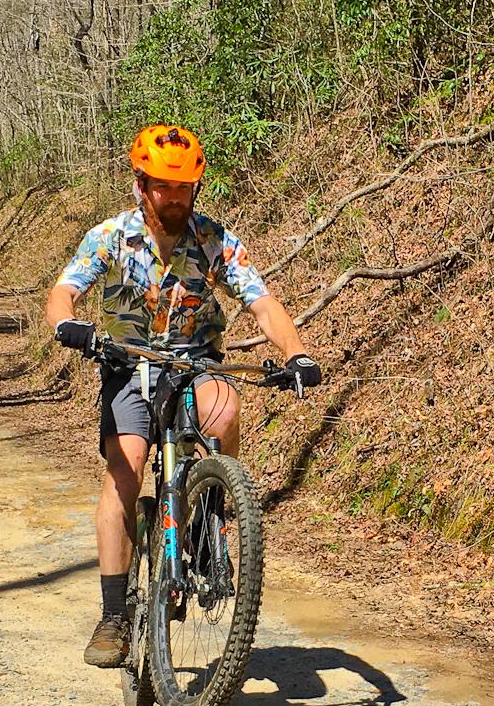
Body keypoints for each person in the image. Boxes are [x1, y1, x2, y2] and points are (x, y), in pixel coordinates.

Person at [45, 125, 322, 667]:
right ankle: (114, 617)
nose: (173, 198)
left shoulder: (214, 240)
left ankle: (210, 512)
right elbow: (64, 291)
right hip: (127, 367)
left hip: (195, 362)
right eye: (162, 187)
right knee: (124, 469)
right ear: (140, 184)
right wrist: (67, 325)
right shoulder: (109, 237)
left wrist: (297, 355)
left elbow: (261, 302)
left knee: (225, 408)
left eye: (183, 188)